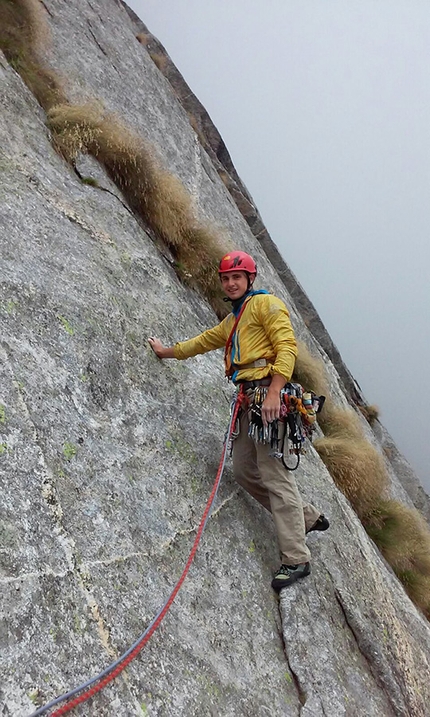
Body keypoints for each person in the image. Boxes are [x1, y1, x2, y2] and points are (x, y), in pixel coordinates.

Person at [148, 251, 329, 592]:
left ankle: (296, 559)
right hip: (250, 401)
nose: (231, 283)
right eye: (226, 278)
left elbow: (286, 347)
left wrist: (275, 391)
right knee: (245, 471)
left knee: (276, 477)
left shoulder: (266, 305)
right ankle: (306, 518)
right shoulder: (234, 321)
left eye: (237, 277)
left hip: (269, 398)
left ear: (250, 279)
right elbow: (202, 342)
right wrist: (166, 351)